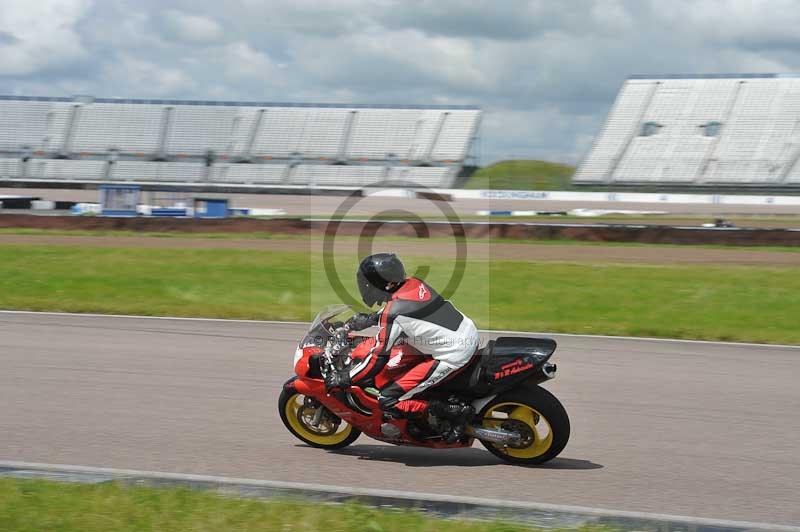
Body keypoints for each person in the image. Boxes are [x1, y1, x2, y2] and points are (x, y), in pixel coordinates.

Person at [325, 253, 480, 442]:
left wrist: (345, 378)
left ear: (385, 284)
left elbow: (377, 358)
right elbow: (400, 312)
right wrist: (356, 323)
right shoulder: (414, 284)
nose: (366, 287)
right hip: (464, 330)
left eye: (368, 283)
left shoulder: (395, 314)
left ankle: (456, 413)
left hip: (454, 353)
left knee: (388, 399)